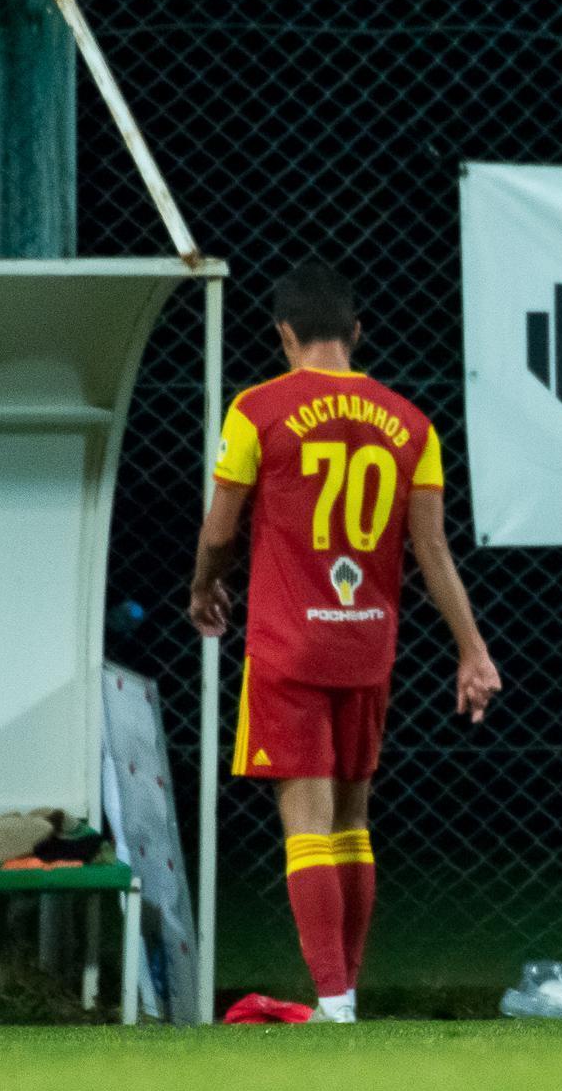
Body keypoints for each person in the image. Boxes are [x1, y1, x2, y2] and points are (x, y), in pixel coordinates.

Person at [189, 260, 501, 1024]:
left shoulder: (256, 410)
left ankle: (333, 1001)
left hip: (289, 645)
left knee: (307, 828)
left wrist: (203, 587)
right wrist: (473, 650)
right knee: (353, 823)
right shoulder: (412, 422)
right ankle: (346, 993)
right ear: (356, 332)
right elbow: (432, 549)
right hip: (368, 644)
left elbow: (221, 529)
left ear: (284, 335)